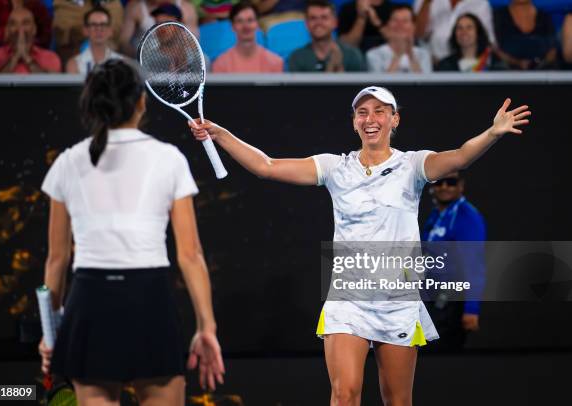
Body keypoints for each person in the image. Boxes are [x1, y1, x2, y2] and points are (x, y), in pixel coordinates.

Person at [188, 86, 530, 405]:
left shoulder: (413, 165)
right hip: (348, 300)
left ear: (394, 119)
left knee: (397, 401)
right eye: (362, 112)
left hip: (398, 302)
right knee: (345, 393)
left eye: (380, 111)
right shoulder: (335, 167)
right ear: (354, 123)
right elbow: (267, 166)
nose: (371, 119)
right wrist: (220, 135)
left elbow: (459, 158)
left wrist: (492, 133)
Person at [37, 59, 225, 405]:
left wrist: (50, 332)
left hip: (89, 304)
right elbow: (190, 255)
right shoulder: (168, 159)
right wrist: (206, 327)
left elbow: (56, 260)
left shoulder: (67, 161)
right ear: (141, 101)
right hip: (148, 300)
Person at [422, 171, 486, 351]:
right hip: (431, 300)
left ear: (460, 186)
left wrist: (472, 309)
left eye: (451, 182)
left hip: (451, 300)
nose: (444, 187)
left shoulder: (466, 216)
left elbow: (474, 264)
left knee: (442, 356)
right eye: (439, 182)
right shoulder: (436, 216)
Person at [288, 0, 365, 72]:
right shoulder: (297, 58)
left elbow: (359, 86)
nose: (318, 23)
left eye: (324, 18)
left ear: (335, 22)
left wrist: (339, 68)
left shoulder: (352, 55)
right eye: (313, 18)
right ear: (306, 24)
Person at [0, 7, 61, 73]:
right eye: (13, 23)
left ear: (34, 29)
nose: (19, 29)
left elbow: (48, 89)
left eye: (25, 23)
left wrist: (27, 57)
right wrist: (15, 57)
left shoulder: (50, 57)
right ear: (7, 30)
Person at [413, 0, 496, 63]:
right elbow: (417, 35)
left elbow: (488, 42)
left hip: (470, 66)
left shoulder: (480, 3)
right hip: (432, 64)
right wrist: (427, 2)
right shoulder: (423, 2)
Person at [212, 2, 283, 73]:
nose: (245, 26)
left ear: (257, 24)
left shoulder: (275, 62)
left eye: (250, 20)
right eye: (240, 21)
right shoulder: (220, 64)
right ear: (232, 26)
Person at [0, 0, 52, 64]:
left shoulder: (37, 6)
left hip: (32, 56)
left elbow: (45, 36)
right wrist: (7, 34)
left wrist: (28, 44)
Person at [53, 0, 124, 66]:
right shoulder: (62, 3)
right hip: (73, 51)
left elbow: (115, 31)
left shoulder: (114, 3)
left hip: (110, 50)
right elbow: (63, 32)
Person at [493, 0, 558, 70]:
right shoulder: (497, 17)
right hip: (504, 73)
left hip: (542, 72)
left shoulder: (545, 17)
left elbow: (552, 50)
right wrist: (516, 63)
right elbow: (493, 48)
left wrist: (538, 64)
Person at [366, 4, 432, 73]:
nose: (399, 25)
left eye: (405, 21)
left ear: (413, 26)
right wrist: (398, 55)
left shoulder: (423, 54)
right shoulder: (374, 54)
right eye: (395, 20)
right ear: (388, 24)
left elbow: (425, 83)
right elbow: (378, 83)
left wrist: (411, 56)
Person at [120, 0, 199, 57]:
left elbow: (194, 44)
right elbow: (123, 42)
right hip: (144, 62)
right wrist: (141, 56)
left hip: (179, 62)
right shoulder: (135, 7)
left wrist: (176, 54)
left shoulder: (186, 8)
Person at [436, 13, 504, 71]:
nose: (464, 32)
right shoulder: (445, 65)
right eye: (459, 28)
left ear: (478, 33)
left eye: (469, 28)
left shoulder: (494, 63)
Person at [66, 7, 123, 74]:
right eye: (93, 25)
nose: (98, 29)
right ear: (85, 30)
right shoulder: (74, 64)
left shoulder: (122, 63)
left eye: (103, 25)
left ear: (110, 30)